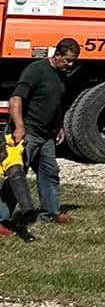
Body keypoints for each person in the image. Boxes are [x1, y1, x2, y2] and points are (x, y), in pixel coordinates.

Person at [8, 38, 80, 230]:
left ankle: (50, 213)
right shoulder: (36, 70)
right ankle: (2, 219)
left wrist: (59, 126)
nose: (71, 65)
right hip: (28, 133)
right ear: (57, 55)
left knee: (49, 173)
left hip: (46, 135)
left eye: (74, 61)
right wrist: (19, 127)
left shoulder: (61, 75)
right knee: (17, 175)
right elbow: (16, 99)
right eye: (68, 60)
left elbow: (54, 103)